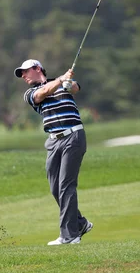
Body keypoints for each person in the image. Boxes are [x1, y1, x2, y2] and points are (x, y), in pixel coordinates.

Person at [14, 59, 93, 245]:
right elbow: (43, 92)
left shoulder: (61, 84)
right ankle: (80, 223)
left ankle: (69, 236)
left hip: (73, 136)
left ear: (37, 68)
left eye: (25, 71)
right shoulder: (30, 93)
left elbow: (76, 89)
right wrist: (60, 79)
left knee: (66, 185)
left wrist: (68, 83)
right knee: (55, 187)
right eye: (22, 74)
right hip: (53, 141)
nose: (23, 76)